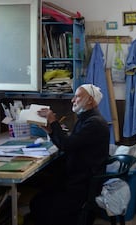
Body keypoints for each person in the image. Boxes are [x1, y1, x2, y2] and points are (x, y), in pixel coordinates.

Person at [29, 84, 110, 225]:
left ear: (90, 100)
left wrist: (53, 122)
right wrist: (50, 130)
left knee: (38, 204)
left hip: (82, 186)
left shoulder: (94, 123)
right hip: (78, 179)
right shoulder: (88, 119)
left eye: (78, 96)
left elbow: (66, 145)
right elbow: (70, 143)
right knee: (39, 198)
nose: (73, 100)